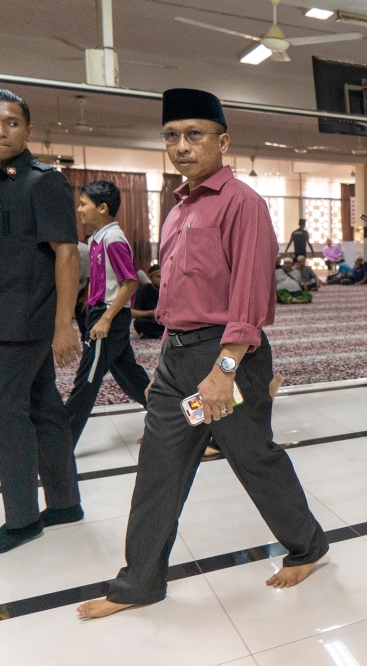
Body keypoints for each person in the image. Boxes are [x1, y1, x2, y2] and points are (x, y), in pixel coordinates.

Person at [77, 88, 328, 619]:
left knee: (253, 459)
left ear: (222, 140)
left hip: (228, 356)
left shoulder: (243, 203)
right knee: (157, 469)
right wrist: (165, 360)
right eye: (172, 135)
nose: (182, 146)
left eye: (195, 135)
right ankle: (138, 582)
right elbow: (176, 293)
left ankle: (308, 545)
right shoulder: (178, 208)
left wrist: (223, 371)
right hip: (178, 357)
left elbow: (250, 300)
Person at [0, 89, 83, 553]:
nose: (3, 131)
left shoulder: (42, 181)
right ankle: (65, 503)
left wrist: (63, 323)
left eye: (13, 123)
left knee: (5, 416)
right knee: (43, 409)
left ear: (28, 131)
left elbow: (66, 253)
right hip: (5, 318)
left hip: (25, 320)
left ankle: (22, 519)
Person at [64, 180, 150, 445]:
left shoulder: (113, 238)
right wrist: (88, 297)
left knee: (86, 382)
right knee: (132, 378)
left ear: (102, 208)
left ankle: (59, 446)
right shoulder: (96, 239)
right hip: (100, 313)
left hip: (108, 318)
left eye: (83, 204)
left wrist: (105, 317)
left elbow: (131, 282)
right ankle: (175, 422)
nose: (79, 209)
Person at [132, 264, 165, 338]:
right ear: (151, 278)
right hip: (151, 320)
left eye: (163, 276)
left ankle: (157, 334)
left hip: (166, 321)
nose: (162, 279)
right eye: (158, 276)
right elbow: (132, 312)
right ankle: (161, 334)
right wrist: (151, 312)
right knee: (139, 323)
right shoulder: (143, 291)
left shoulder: (170, 290)